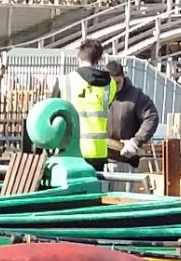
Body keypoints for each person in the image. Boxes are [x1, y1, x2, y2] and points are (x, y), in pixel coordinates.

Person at [52, 39, 116, 170]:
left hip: (71, 150)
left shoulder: (64, 81)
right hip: (98, 152)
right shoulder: (110, 85)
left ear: (78, 56)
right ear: (98, 59)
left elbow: (51, 113)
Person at [105, 60, 160, 175]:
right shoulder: (100, 94)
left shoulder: (136, 96)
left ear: (123, 77)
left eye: (118, 82)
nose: (115, 87)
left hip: (126, 160)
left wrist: (136, 141)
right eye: (111, 83)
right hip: (102, 159)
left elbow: (151, 117)